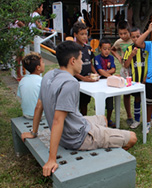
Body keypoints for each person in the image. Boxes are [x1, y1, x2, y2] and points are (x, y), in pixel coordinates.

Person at [21, 41, 137, 177]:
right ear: (72, 61)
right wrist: (52, 159)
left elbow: (38, 106)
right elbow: (58, 120)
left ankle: (105, 139)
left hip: (73, 126)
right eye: (81, 59)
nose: (83, 63)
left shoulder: (48, 75)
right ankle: (105, 161)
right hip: (76, 137)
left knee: (103, 119)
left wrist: (34, 132)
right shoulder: (71, 83)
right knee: (132, 138)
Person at [123, 27, 152, 129]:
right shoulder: (129, 49)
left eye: (138, 36)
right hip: (136, 81)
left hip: (148, 79)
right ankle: (137, 119)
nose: (135, 39)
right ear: (130, 38)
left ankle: (150, 118)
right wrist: (131, 55)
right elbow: (126, 65)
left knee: (149, 101)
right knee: (137, 99)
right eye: (133, 37)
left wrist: (146, 77)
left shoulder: (148, 47)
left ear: (142, 35)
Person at [73, 21, 99, 115]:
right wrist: (82, 78)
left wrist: (95, 73)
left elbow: (90, 63)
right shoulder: (73, 49)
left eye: (86, 34)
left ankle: (84, 119)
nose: (84, 36)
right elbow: (71, 69)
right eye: (82, 34)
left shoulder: (88, 48)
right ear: (75, 35)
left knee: (85, 103)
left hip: (88, 81)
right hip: (77, 82)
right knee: (76, 104)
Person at [111, 21, 134, 125]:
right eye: (121, 34)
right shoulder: (118, 42)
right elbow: (113, 50)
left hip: (136, 68)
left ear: (129, 31)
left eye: (125, 33)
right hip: (125, 70)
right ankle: (129, 116)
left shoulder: (133, 39)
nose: (123, 36)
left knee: (141, 91)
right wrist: (118, 57)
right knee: (126, 93)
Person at [94, 39, 116, 127]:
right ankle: (99, 120)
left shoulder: (111, 58)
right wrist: (111, 76)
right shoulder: (97, 58)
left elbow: (113, 69)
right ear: (100, 48)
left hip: (109, 83)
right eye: (104, 49)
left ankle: (108, 119)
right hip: (99, 83)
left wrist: (107, 73)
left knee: (110, 103)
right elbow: (99, 71)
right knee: (100, 102)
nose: (107, 51)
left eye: (109, 49)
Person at [17, 52, 45, 119]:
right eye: (43, 62)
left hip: (26, 114)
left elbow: (20, 96)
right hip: (41, 116)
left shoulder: (22, 81)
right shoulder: (43, 81)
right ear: (38, 67)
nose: (44, 64)